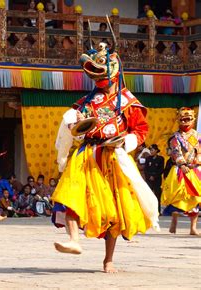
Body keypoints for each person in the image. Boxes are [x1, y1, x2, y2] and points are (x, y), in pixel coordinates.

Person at [51, 41, 159, 273]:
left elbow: (140, 131)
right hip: (87, 155)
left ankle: (108, 259)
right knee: (69, 195)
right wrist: (73, 124)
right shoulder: (87, 101)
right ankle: (74, 241)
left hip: (113, 157)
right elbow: (74, 125)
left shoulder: (129, 103)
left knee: (114, 209)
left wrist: (125, 142)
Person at [161, 107, 200, 235]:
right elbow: (175, 151)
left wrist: (197, 162)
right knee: (178, 196)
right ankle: (174, 222)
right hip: (179, 169)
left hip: (194, 169)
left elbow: (199, 152)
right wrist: (182, 164)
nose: (185, 122)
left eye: (188, 119)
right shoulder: (175, 137)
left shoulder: (197, 136)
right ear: (178, 120)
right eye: (182, 120)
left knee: (195, 197)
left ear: (193, 119)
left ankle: (193, 228)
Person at [145, 144, 165, 213]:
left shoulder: (161, 159)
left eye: (152, 150)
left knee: (157, 195)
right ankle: (149, 211)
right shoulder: (148, 159)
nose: (151, 151)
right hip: (149, 179)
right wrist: (149, 176)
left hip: (157, 179)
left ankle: (158, 211)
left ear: (156, 150)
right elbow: (146, 169)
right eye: (150, 150)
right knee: (148, 195)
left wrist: (154, 176)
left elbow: (161, 169)